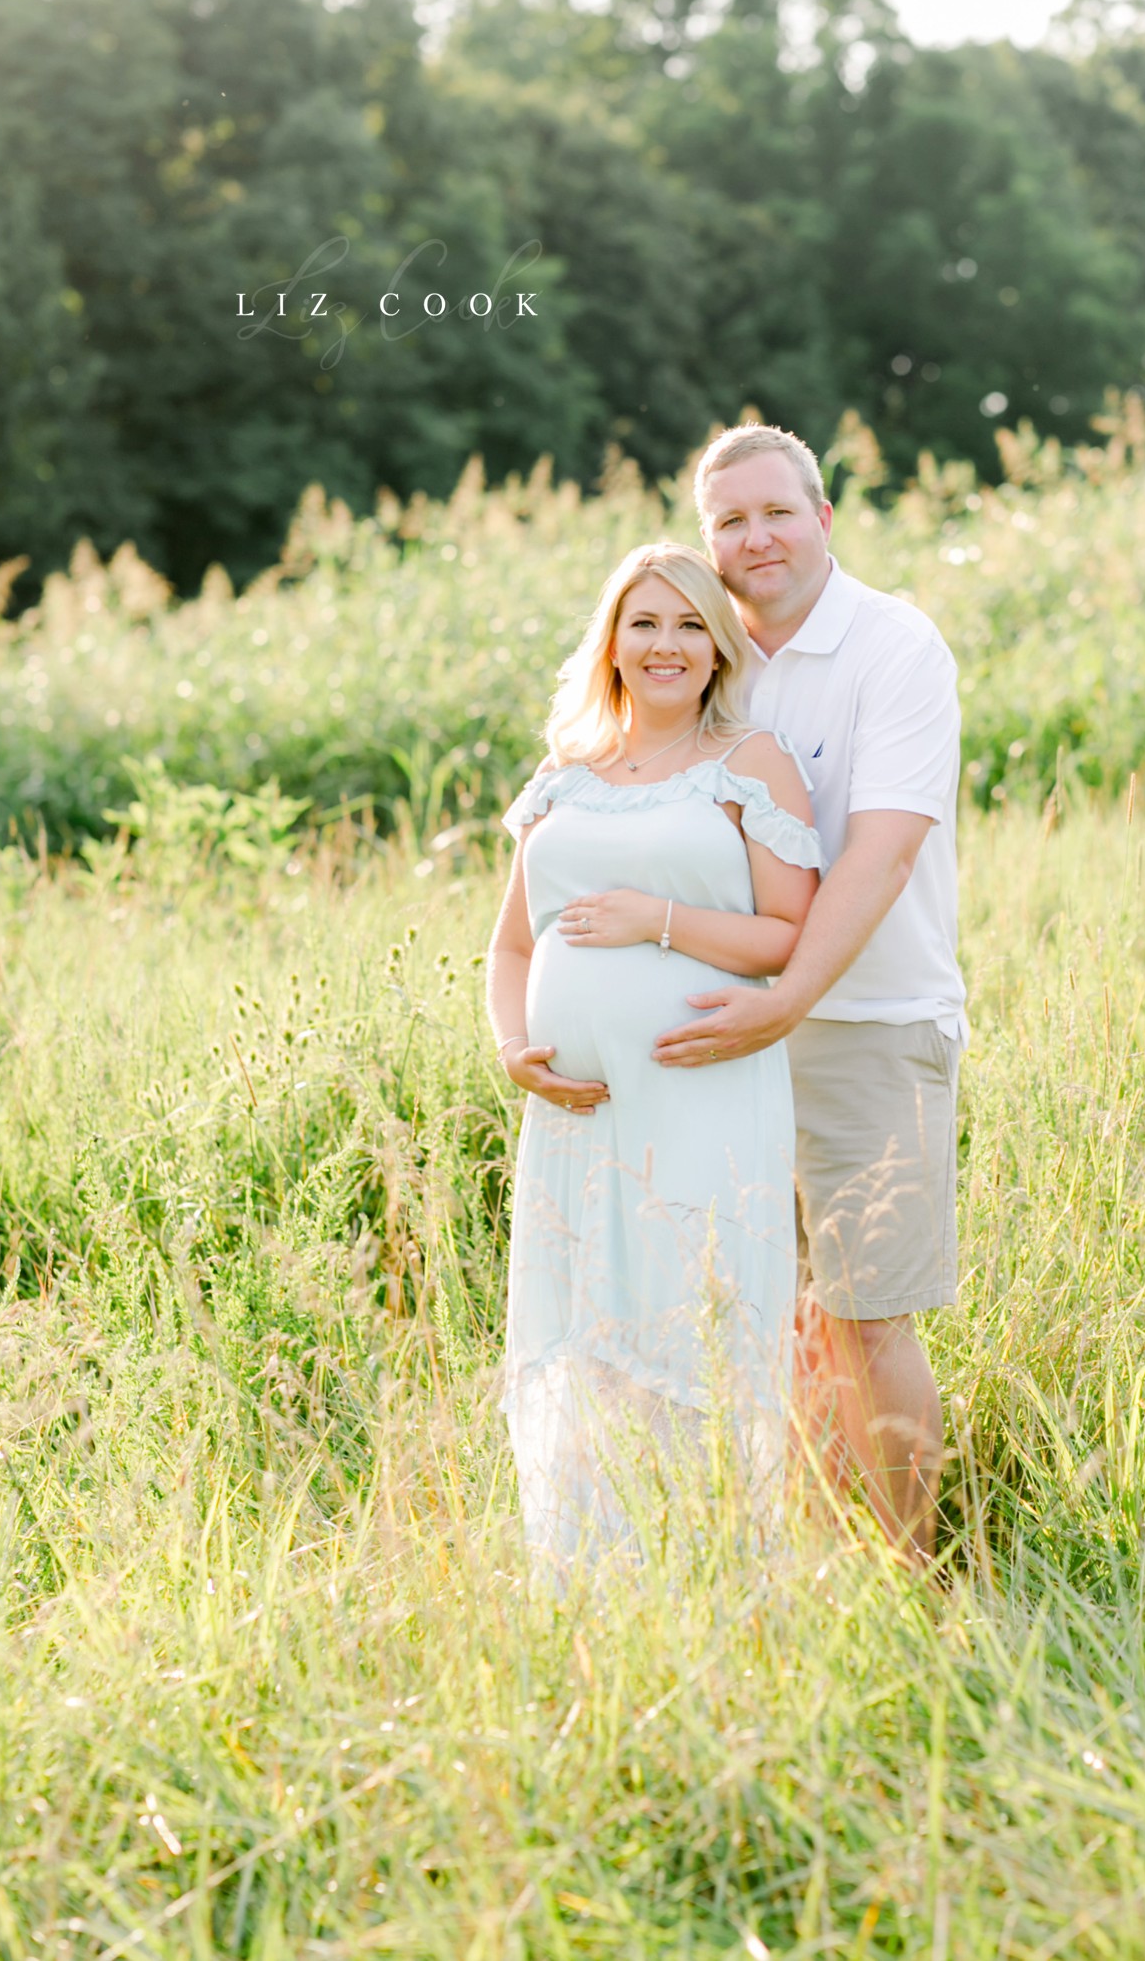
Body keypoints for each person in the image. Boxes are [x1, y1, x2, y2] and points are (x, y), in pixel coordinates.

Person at [653, 425, 967, 1567]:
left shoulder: (895, 646)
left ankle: (908, 1580)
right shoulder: (700, 654)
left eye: (774, 511)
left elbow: (880, 853)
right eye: (728, 521)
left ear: (823, 518)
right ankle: (815, 1562)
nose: (755, 536)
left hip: (869, 1027)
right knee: (766, 1314)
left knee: (868, 1312)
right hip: (729, 1032)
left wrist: (785, 997)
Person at [486, 541, 821, 1568]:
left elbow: (785, 934)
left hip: (702, 1088)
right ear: (614, 643)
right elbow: (510, 944)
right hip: (577, 1112)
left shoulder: (751, 763)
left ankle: (713, 1565)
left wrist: (655, 919)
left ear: (719, 649)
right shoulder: (564, 777)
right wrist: (514, 1048)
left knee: (693, 1319)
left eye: (689, 625)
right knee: (586, 1332)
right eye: (645, 623)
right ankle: (591, 1576)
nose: (666, 644)